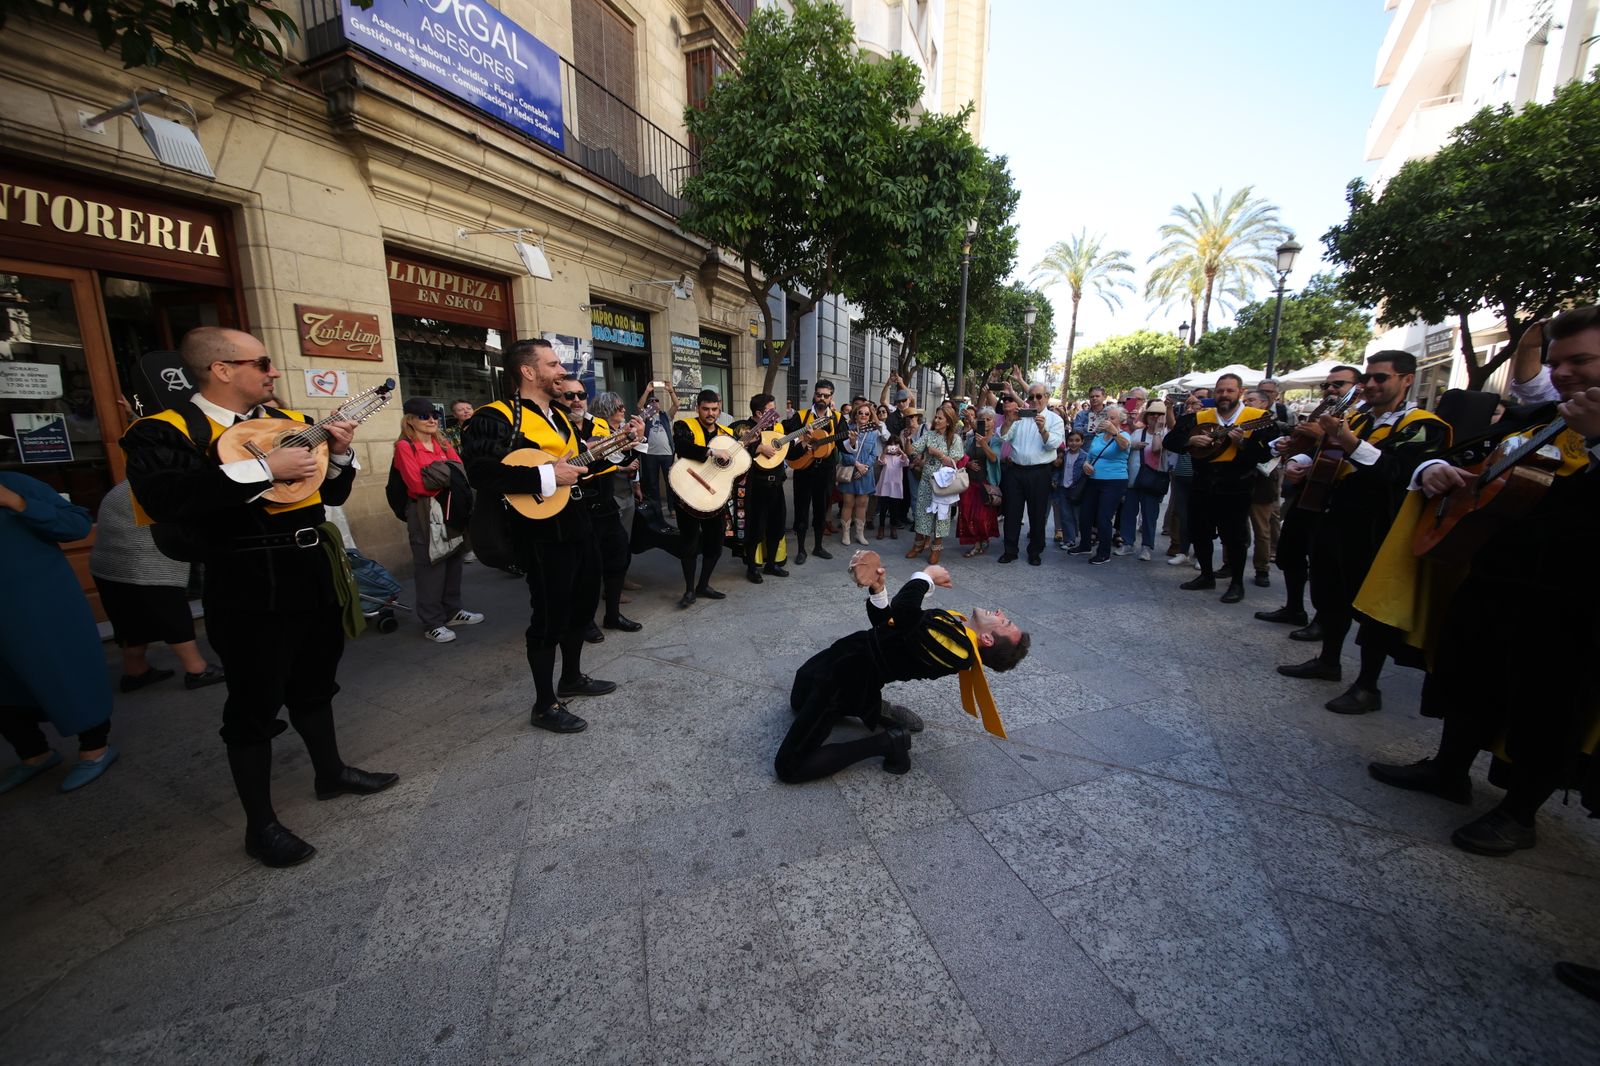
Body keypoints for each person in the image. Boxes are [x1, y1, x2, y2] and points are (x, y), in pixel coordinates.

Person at [121, 326, 396, 866]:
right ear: (221, 369)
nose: (273, 372)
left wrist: (337, 455)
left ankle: (330, 772)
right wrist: (265, 470)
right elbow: (166, 497)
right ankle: (260, 825)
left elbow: (330, 492)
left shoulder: (290, 424)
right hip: (244, 577)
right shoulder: (161, 432)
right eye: (262, 362)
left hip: (309, 565)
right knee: (253, 700)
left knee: (316, 680)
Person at [1366, 304, 1600, 855]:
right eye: (1558, 362)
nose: (1564, 373)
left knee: (1548, 703)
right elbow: (1466, 458)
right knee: (1467, 673)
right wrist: (1433, 471)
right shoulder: (1547, 419)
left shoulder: (1584, 427)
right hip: (1498, 577)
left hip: (1573, 601)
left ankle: (1520, 813)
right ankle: (1448, 769)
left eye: (1581, 361)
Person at [461, 338, 617, 736]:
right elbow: (481, 472)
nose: (561, 371)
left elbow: (581, 464)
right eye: (552, 364)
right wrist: (546, 476)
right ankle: (545, 704)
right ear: (528, 372)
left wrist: (619, 448)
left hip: (578, 521)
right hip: (540, 531)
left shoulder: (562, 417)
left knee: (583, 605)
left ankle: (573, 678)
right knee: (549, 614)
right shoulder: (494, 417)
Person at [1275, 353, 1448, 710]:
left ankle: (1368, 685)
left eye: (1380, 378)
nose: (1370, 385)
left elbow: (1396, 473)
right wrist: (1300, 462)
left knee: (1371, 608)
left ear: (1407, 380)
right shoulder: (1358, 419)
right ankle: (1328, 660)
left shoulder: (1425, 425)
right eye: (1367, 377)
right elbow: (1327, 453)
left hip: (1379, 527)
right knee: (1329, 591)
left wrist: (1348, 439)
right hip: (1334, 517)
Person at [774, 552, 1029, 783]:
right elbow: (890, 628)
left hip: (847, 680)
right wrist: (878, 589)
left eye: (1003, 621)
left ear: (988, 639)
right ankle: (871, 706)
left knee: (790, 767)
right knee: (798, 700)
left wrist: (926, 576)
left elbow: (905, 611)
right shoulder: (957, 630)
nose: (998, 612)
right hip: (846, 655)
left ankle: (888, 742)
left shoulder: (958, 651)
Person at [0, 472, 119, 794]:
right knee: (6, 689)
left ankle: (95, 749)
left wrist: (17, 502)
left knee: (67, 672)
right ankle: (34, 755)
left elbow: (76, 526)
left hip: (40, 606)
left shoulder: (16, 484)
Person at [1254, 366, 1363, 631]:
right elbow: (1306, 447)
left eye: (1339, 384)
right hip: (1310, 489)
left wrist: (1323, 435)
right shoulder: (1325, 413)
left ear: (1357, 388)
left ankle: (1322, 621)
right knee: (1290, 551)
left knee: (1324, 564)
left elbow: (1361, 452)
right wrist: (1292, 455)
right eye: (1328, 385)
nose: (1331, 390)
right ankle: (1294, 608)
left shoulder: (1362, 418)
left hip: (1340, 499)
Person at [89, 480, 224, 691]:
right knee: (172, 615)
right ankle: (198, 670)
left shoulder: (129, 485)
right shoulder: (166, 485)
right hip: (144, 560)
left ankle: (136, 671)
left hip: (108, 563)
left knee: (130, 620)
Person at [1164, 373, 1277, 603]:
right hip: (1202, 482)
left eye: (1230, 390)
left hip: (1237, 485)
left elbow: (1267, 454)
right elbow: (1170, 442)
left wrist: (1242, 443)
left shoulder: (1258, 418)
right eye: (1220, 390)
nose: (1224, 395)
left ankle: (1236, 583)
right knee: (1200, 531)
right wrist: (1190, 442)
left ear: (1240, 392)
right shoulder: (1199, 417)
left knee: (1234, 536)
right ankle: (1206, 575)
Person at [393, 397, 482, 643]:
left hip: (451, 507)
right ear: (410, 419)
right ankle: (432, 621)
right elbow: (417, 485)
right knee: (430, 565)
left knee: (454, 557)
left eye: (434, 414)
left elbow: (460, 473)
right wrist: (447, 476)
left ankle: (452, 610)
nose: (431, 419)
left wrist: (441, 476)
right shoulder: (404, 447)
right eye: (424, 415)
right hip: (425, 511)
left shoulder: (442, 443)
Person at [577, 387, 644, 637]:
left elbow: (625, 462)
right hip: (584, 506)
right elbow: (586, 465)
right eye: (570, 396)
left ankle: (613, 615)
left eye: (581, 396)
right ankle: (586, 622)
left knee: (618, 556)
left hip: (608, 504)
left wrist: (636, 441)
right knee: (590, 568)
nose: (576, 401)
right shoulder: (580, 430)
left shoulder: (609, 432)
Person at [673, 389, 735, 608]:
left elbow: (733, 462)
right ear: (698, 408)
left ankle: (704, 584)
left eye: (714, 409)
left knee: (715, 544)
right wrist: (711, 452)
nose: (710, 413)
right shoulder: (684, 426)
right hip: (687, 492)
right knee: (689, 544)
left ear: (719, 409)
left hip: (713, 497)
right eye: (706, 409)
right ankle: (689, 590)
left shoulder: (727, 433)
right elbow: (682, 447)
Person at [997, 383, 1066, 565]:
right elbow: (1003, 436)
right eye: (1031, 397)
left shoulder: (1054, 419)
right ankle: (1010, 550)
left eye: (1039, 396)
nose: (1035, 400)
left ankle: (1035, 551)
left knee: (1037, 514)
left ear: (1047, 397)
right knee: (1012, 512)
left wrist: (1043, 430)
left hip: (1040, 472)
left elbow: (1053, 444)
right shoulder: (1020, 416)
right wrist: (1009, 421)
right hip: (1016, 471)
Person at [784, 380, 845, 564]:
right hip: (804, 469)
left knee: (821, 509)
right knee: (801, 509)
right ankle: (801, 549)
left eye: (826, 396)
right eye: (819, 394)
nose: (822, 398)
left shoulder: (838, 418)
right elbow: (787, 441)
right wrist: (802, 439)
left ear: (831, 398)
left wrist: (852, 440)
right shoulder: (801, 416)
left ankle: (818, 546)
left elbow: (844, 445)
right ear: (814, 395)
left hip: (825, 471)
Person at [1068, 405, 1131, 564]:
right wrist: (1086, 465)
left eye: (1112, 418)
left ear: (1121, 420)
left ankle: (1104, 552)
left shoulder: (1124, 435)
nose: (1108, 421)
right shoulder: (1098, 436)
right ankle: (1084, 545)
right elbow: (1090, 455)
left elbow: (1124, 446)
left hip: (1114, 482)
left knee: (1104, 517)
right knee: (1085, 514)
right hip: (1093, 480)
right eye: (1106, 418)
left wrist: (1114, 432)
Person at [742, 393, 789, 583]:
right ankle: (752, 567)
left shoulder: (776, 428)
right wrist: (758, 448)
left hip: (776, 484)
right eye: (771, 410)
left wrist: (803, 442)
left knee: (776, 524)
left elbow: (788, 451)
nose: (776, 414)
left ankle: (771, 564)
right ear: (760, 413)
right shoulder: (743, 427)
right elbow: (735, 449)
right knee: (755, 528)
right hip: (756, 486)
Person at [906, 405, 961, 564]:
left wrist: (937, 453)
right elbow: (912, 452)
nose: (936, 420)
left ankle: (936, 548)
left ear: (948, 422)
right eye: (935, 417)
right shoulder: (929, 435)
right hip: (926, 482)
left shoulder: (955, 439)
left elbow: (954, 462)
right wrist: (909, 439)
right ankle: (918, 545)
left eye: (940, 418)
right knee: (922, 513)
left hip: (944, 485)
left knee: (941, 516)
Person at [1115, 400, 1169, 561]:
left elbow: (1157, 449)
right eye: (1152, 414)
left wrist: (1158, 430)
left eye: (1159, 414)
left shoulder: (1166, 434)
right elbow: (1126, 448)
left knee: (1149, 515)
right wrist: (1133, 445)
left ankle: (1147, 547)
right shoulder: (1138, 433)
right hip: (1134, 478)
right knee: (1128, 513)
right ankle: (1128, 544)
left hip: (1152, 481)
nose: (1155, 417)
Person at [1242, 389, 1282, 587]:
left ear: (1264, 404)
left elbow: (1271, 452)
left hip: (1262, 482)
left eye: (1252, 400)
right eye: (1245, 400)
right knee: (1235, 526)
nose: (1247, 403)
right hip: (1238, 481)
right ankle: (1229, 564)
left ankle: (1262, 569)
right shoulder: (1238, 422)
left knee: (1262, 529)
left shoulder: (1272, 425)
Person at [837, 400, 881, 546]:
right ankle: (845, 534)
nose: (863, 415)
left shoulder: (873, 432)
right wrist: (856, 464)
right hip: (850, 470)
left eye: (866, 414)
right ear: (855, 415)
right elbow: (843, 452)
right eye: (860, 413)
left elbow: (874, 453)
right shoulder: (847, 429)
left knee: (862, 503)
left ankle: (859, 534)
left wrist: (865, 467)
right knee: (848, 503)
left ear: (870, 416)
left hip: (865, 472)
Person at [958, 409, 1001, 557]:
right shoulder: (971, 438)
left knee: (981, 516)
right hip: (969, 482)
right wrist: (968, 463)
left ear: (994, 422)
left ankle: (983, 539)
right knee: (967, 513)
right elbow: (962, 456)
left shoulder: (996, 439)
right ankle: (976, 543)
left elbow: (994, 458)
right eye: (983, 419)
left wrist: (983, 443)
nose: (986, 423)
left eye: (989, 419)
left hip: (985, 484)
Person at [637, 379, 679, 515]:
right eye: (651, 401)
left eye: (656, 401)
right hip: (650, 455)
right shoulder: (646, 416)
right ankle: (657, 509)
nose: (654, 403)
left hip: (667, 454)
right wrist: (647, 390)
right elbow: (639, 406)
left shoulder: (666, 416)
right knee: (653, 484)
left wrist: (671, 391)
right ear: (648, 406)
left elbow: (676, 405)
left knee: (670, 482)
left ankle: (672, 508)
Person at [1051, 430, 1088, 553]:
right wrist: (1055, 480)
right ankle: (1069, 539)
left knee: (1077, 516)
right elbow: (1058, 469)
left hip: (1076, 489)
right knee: (1065, 515)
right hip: (1063, 488)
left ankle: (1082, 540)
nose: (1074, 443)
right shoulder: (1064, 455)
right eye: (1071, 440)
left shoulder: (1085, 456)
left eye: (1077, 440)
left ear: (1082, 442)